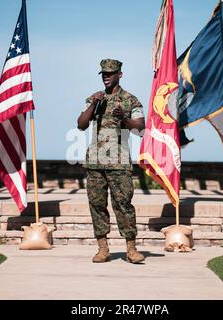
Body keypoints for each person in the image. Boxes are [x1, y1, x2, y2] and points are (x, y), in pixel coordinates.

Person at [77, 59, 146, 264]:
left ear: (119, 75)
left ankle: (131, 249)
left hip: (119, 162)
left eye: (110, 73)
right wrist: (94, 104)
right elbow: (81, 124)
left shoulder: (130, 100)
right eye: (103, 74)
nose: (106, 76)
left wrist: (124, 118)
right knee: (97, 204)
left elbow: (140, 129)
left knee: (123, 205)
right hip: (95, 163)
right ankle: (103, 249)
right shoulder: (93, 98)